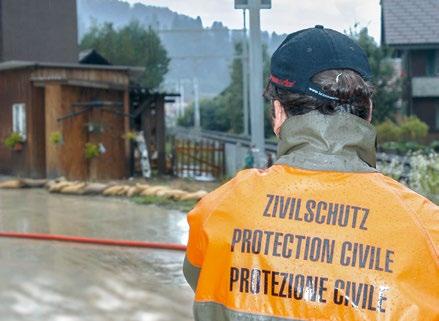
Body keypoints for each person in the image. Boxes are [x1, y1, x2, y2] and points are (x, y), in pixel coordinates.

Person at [183, 25, 439, 321]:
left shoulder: (216, 211)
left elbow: (202, 283)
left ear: (278, 113)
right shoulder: (427, 228)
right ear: (368, 112)